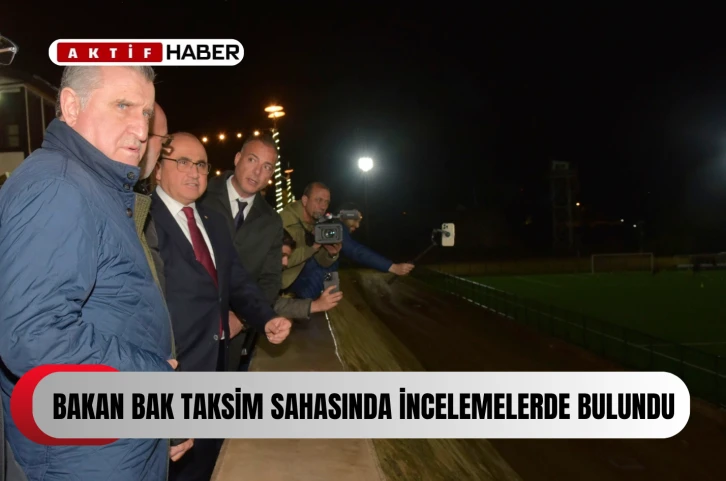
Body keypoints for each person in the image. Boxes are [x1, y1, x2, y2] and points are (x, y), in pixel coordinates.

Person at [0, 66, 181, 480]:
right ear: (71, 106)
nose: (141, 129)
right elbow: (32, 336)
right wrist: (153, 376)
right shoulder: (58, 188)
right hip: (86, 456)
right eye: (123, 106)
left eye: (146, 113)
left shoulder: (92, 186)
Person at [150, 132, 292, 481]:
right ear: (157, 169)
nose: (194, 172)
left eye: (201, 164)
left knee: (207, 463)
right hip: (171, 371)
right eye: (183, 162)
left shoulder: (211, 221)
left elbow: (237, 280)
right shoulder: (143, 222)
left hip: (215, 369)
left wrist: (265, 318)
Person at [200, 133, 282, 371]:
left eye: (267, 167)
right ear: (237, 159)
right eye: (252, 160)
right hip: (190, 322)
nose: (257, 172)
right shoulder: (200, 195)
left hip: (234, 333)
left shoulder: (272, 221)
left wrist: (242, 319)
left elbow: (270, 280)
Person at [287, 203, 414, 300]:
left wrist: (332, 292)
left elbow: (330, 266)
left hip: (308, 288)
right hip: (305, 290)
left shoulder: (328, 223)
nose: (358, 225)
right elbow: (355, 250)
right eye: (355, 219)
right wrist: (392, 267)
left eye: (360, 220)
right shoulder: (336, 227)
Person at [280, 182, 341, 290]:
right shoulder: (284, 222)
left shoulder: (315, 222)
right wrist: (312, 248)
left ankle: (332, 297)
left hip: (299, 278)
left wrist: (331, 254)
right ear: (305, 200)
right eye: (319, 200)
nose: (323, 207)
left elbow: (322, 262)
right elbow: (279, 262)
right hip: (281, 283)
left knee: (333, 265)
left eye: (326, 202)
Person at [275, 229, 343, 320]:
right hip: (292, 285)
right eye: (282, 255)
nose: (285, 262)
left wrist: (332, 254)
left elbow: (324, 264)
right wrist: (312, 248)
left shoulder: (318, 228)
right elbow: (273, 304)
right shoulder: (284, 226)